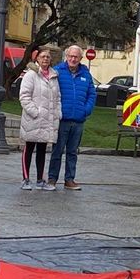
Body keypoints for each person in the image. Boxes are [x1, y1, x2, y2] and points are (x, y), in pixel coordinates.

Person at [47, 44, 96, 190]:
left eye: (76, 57)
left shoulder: (86, 74)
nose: (73, 59)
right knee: (57, 151)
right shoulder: (58, 72)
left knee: (72, 152)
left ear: (81, 58)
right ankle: (52, 179)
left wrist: (85, 110)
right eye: (70, 56)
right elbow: (52, 93)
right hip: (62, 119)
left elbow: (92, 94)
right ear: (66, 56)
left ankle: (69, 180)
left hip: (79, 120)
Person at [18, 47, 61, 190]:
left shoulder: (54, 76)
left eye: (48, 57)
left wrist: (57, 112)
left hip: (48, 120)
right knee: (29, 148)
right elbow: (24, 97)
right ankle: (25, 179)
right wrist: (35, 112)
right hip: (33, 119)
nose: (45, 59)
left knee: (42, 149)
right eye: (43, 56)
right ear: (37, 58)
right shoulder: (31, 75)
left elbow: (57, 97)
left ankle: (40, 180)